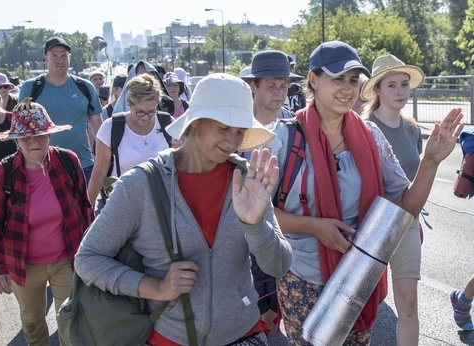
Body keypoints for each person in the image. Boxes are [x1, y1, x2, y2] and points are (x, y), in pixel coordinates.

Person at [74, 73, 292, 345]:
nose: (232, 140)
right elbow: (88, 259)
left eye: (240, 131)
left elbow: (279, 265)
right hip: (171, 336)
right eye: (224, 127)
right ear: (195, 123)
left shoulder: (248, 180)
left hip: (243, 332)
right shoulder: (141, 185)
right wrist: (156, 288)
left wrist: (256, 224)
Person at [270, 40, 463, 344]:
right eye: (337, 79)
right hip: (303, 280)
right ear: (312, 79)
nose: (347, 88)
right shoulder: (284, 137)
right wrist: (313, 227)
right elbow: (257, 214)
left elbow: (404, 209)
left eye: (353, 80)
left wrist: (430, 162)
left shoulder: (370, 136)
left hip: (358, 281)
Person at [0, 98, 94, 346]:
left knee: (70, 318)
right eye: (26, 138)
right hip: (23, 263)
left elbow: (86, 211)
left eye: (41, 135)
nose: (35, 142)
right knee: (32, 321)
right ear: (16, 141)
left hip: (66, 258)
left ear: (49, 135)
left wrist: (96, 254)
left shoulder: (68, 162)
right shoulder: (3, 173)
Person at [361, 54, 425, 346]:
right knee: (360, 309)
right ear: (377, 90)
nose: (400, 91)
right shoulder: (361, 128)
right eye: (392, 85)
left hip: (407, 222)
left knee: (408, 302)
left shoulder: (412, 128)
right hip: (369, 227)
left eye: (404, 84)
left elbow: (415, 176)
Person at [240, 50, 302, 328]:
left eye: (284, 86)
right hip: (245, 229)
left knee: (278, 309)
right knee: (255, 307)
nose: (279, 93)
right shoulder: (237, 125)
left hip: (286, 229)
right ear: (253, 87)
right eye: (271, 86)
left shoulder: (293, 125)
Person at [18, 36, 103, 183]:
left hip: (83, 165)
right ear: (45, 58)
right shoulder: (31, 88)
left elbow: (99, 128)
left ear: (69, 57)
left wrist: (103, 163)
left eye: (64, 56)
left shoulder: (85, 87)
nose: (60, 60)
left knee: (86, 206)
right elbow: (20, 130)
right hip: (44, 166)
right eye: (54, 56)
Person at [87, 74, 175, 209]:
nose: (145, 117)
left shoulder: (167, 123)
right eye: (139, 112)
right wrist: (87, 211)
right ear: (128, 102)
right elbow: (99, 172)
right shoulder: (111, 127)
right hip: (122, 207)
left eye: (151, 112)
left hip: (161, 207)